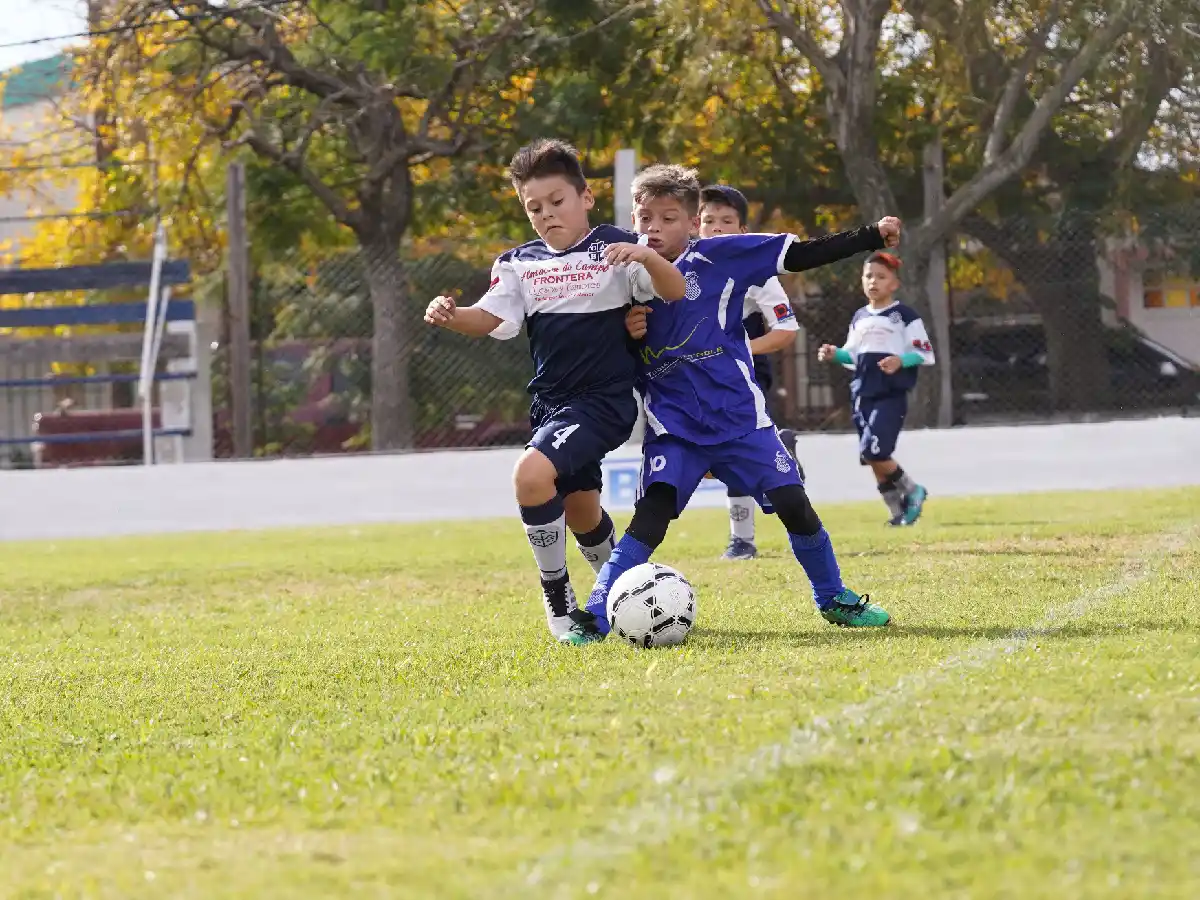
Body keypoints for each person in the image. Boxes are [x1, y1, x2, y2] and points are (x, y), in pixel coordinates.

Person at [587, 164, 900, 635]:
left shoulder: (724, 256)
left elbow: (801, 256)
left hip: (740, 420)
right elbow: (599, 344)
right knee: (651, 517)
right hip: (674, 427)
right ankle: (594, 613)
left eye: (668, 217)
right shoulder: (623, 273)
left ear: (694, 223)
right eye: (644, 217)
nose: (653, 228)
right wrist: (627, 333)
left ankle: (834, 598)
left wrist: (869, 236)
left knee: (796, 505)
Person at [423, 139, 686, 645]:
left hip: (605, 400)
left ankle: (559, 605)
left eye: (557, 201)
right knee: (582, 511)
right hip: (551, 405)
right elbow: (490, 318)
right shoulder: (518, 263)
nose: (546, 215)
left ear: (586, 197)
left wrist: (645, 258)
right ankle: (633, 595)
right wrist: (452, 316)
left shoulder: (618, 248)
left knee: (530, 476)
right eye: (533, 208)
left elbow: (673, 291)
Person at [817, 252, 934, 526]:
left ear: (894, 284)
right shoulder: (859, 317)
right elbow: (853, 356)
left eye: (881, 277)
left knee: (875, 451)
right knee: (871, 457)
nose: (874, 282)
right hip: (862, 393)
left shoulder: (904, 316)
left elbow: (924, 353)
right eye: (869, 276)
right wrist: (835, 354)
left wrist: (900, 361)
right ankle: (896, 513)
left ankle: (913, 490)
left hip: (889, 394)